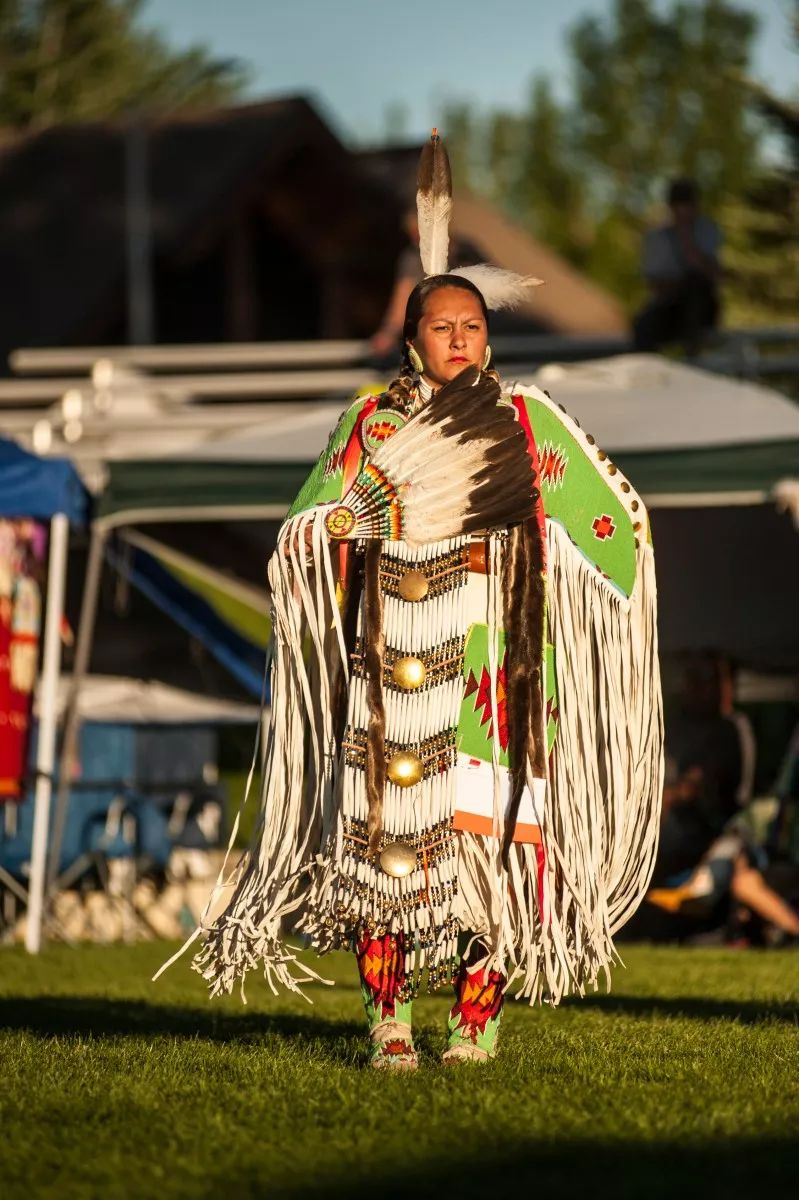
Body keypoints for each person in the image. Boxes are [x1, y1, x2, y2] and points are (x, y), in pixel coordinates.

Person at [164, 133, 663, 1070]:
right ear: (412, 339)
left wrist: (598, 572)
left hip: (496, 668)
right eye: (444, 327)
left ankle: (475, 1025)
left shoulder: (526, 423)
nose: (463, 339)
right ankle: (388, 1023)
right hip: (389, 666)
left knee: (497, 857)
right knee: (384, 862)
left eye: (474, 327)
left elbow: (615, 527)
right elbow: (306, 524)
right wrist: (335, 530)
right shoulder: (370, 421)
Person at [633, 178, 722, 354]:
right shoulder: (657, 237)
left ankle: (693, 354)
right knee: (642, 323)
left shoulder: (707, 230)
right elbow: (654, 283)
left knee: (694, 287)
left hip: (701, 307)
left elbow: (711, 274)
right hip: (669, 306)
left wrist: (686, 240)